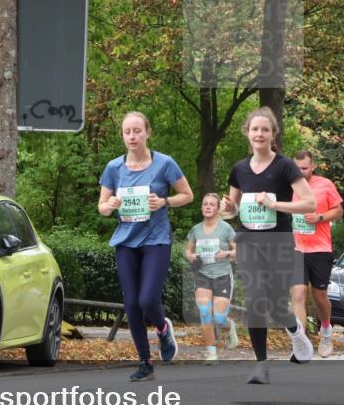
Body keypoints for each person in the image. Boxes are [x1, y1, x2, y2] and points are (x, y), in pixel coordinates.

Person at [220, 107, 315, 384]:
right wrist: (228, 207)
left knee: (275, 306)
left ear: (273, 134)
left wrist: (276, 205)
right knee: (255, 299)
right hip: (248, 240)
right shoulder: (239, 169)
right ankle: (261, 364)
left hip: (279, 242)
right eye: (254, 129)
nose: (259, 134)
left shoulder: (285, 166)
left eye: (265, 130)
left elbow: (309, 203)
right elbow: (233, 209)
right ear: (247, 134)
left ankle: (296, 331)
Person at [99, 112, 194, 381]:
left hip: (156, 240)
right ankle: (145, 362)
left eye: (137, 131)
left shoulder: (164, 164)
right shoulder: (113, 168)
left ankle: (163, 329)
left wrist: (164, 202)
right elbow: (102, 207)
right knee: (131, 304)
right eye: (127, 131)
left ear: (147, 132)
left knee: (147, 299)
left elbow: (187, 195)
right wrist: (111, 206)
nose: (132, 136)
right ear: (122, 135)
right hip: (126, 241)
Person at [290, 151, 343, 358]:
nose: (300, 172)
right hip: (295, 249)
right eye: (297, 168)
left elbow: (338, 211)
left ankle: (326, 330)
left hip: (320, 248)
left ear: (313, 167)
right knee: (298, 295)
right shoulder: (289, 185)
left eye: (304, 168)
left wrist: (320, 217)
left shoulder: (325, 184)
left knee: (319, 296)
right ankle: (300, 343)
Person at [185, 193, 239, 362]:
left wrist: (227, 253)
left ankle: (229, 326)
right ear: (202, 207)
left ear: (217, 209)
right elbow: (188, 250)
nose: (208, 207)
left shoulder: (226, 229)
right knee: (204, 313)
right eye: (205, 204)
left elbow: (239, 251)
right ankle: (211, 352)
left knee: (219, 317)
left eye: (212, 204)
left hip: (222, 275)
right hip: (203, 275)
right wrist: (191, 256)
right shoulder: (196, 230)